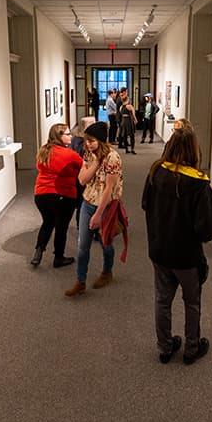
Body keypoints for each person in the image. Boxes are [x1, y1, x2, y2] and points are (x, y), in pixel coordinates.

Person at [142, 127, 212, 365]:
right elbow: (207, 231)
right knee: (192, 302)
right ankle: (191, 348)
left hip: (159, 250)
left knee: (162, 300)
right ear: (194, 150)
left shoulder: (155, 173)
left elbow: (146, 205)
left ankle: (164, 347)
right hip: (187, 256)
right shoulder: (199, 184)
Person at [65, 122, 123, 297]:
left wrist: (98, 215)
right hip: (87, 202)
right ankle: (80, 281)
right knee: (83, 245)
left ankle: (107, 272)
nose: (88, 144)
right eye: (87, 141)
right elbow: (82, 180)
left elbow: (108, 188)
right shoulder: (90, 155)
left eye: (92, 140)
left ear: (101, 140)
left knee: (106, 243)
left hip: (105, 206)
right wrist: (96, 162)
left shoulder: (113, 157)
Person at [30, 124, 83, 268]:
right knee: (61, 227)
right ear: (59, 137)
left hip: (41, 195)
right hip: (63, 195)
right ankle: (58, 258)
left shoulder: (44, 151)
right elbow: (84, 169)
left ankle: (38, 252)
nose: (71, 136)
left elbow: (40, 168)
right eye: (67, 134)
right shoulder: (70, 154)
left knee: (47, 223)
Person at [70, 116, 95, 226]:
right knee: (83, 203)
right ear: (84, 127)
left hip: (83, 177)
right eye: (92, 124)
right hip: (81, 178)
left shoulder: (79, 139)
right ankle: (83, 228)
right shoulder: (80, 143)